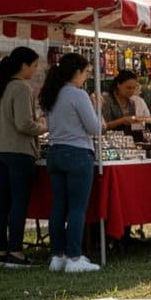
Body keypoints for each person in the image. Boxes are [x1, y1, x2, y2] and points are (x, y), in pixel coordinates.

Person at [0, 46, 45, 268]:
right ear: (23, 66)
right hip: (18, 151)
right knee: (18, 202)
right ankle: (16, 251)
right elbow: (24, 124)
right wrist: (43, 126)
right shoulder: (22, 88)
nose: (35, 70)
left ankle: (0, 250)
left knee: (1, 200)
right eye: (34, 66)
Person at [39, 52, 103, 274]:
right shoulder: (78, 95)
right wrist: (97, 107)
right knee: (77, 208)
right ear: (77, 72)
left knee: (58, 206)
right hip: (77, 153)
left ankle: (58, 255)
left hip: (55, 153)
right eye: (86, 72)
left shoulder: (52, 94)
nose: (86, 77)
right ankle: (75, 258)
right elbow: (95, 128)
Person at [97, 70, 151, 140]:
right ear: (118, 85)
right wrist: (122, 120)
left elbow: (132, 128)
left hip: (127, 143)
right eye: (128, 88)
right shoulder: (107, 100)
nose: (131, 91)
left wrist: (140, 123)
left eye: (134, 88)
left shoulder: (131, 102)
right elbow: (103, 126)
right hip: (109, 141)